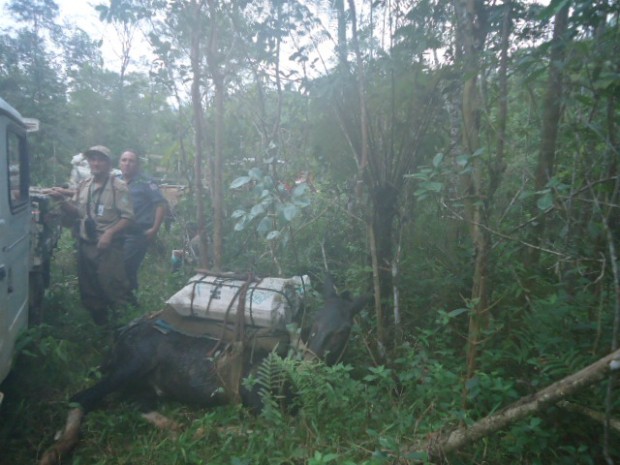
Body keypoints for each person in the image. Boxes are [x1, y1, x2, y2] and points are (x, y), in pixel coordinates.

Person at [50, 145, 135, 326]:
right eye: (93, 159)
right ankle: (101, 329)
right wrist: (62, 201)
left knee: (113, 287)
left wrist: (109, 233)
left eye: (100, 159)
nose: (96, 163)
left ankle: (123, 330)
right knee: (89, 291)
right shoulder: (84, 185)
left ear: (108, 163)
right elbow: (78, 212)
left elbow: (128, 217)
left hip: (108, 248)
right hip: (86, 244)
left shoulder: (118, 187)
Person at [118, 150, 168, 292]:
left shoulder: (146, 181)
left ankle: (130, 301)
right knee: (116, 267)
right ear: (119, 163)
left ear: (137, 164)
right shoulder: (115, 180)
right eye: (124, 160)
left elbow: (161, 204)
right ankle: (124, 301)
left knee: (127, 266)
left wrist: (155, 229)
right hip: (119, 231)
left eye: (131, 161)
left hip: (137, 233)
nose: (127, 164)